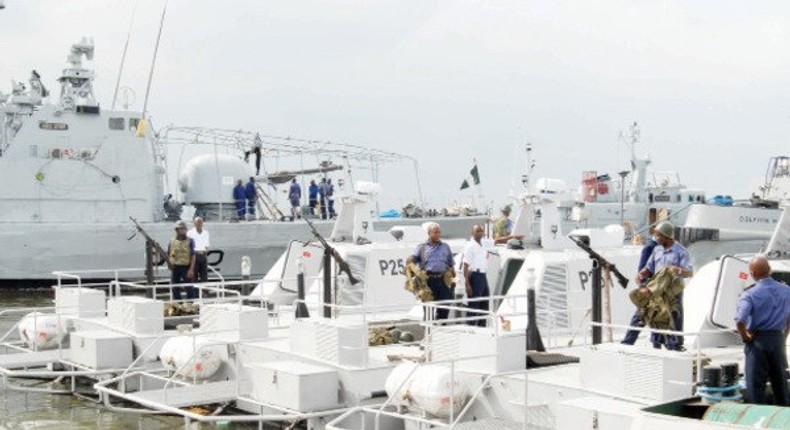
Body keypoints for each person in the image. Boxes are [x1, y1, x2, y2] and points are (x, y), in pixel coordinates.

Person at [735, 255, 790, 405]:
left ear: (752, 273)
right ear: (770, 270)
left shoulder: (750, 294)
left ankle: (758, 422)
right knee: (781, 385)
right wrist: (784, 336)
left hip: (758, 342)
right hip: (778, 341)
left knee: (755, 387)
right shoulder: (786, 290)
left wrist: (745, 336)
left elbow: (740, 320)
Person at [634, 221, 693, 350]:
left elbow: (689, 272)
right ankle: (657, 342)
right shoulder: (657, 249)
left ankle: (675, 344)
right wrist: (642, 274)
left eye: (658, 235)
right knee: (655, 315)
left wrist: (677, 270)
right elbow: (649, 268)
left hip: (673, 292)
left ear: (667, 236)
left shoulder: (681, 251)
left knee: (674, 316)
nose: (656, 238)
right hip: (658, 291)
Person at [407, 222, 455, 321]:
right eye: (435, 232)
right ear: (429, 233)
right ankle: (428, 333)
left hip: (442, 280)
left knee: (445, 306)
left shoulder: (445, 247)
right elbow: (412, 260)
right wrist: (411, 266)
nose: (438, 234)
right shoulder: (422, 247)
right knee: (428, 309)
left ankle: (441, 328)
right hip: (428, 281)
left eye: (439, 232)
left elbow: (450, 264)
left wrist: (452, 276)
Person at [621, 232, 659, 345]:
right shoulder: (650, 247)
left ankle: (656, 342)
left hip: (654, 286)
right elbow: (643, 267)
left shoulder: (656, 246)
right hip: (648, 286)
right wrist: (643, 285)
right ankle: (628, 342)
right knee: (641, 314)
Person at [462, 225, 492, 326]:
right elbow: (465, 265)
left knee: (484, 302)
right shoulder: (470, 246)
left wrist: (511, 237)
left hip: (483, 275)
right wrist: (467, 284)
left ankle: (481, 326)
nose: (480, 233)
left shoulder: (483, 243)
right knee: (474, 303)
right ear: (473, 233)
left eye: (481, 231)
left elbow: (497, 241)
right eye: (477, 231)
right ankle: (470, 327)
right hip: (474, 275)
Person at [167, 221, 197, 300]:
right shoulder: (172, 241)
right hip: (175, 267)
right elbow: (169, 253)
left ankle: (191, 304)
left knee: (189, 287)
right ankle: (178, 304)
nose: (183, 230)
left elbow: (193, 255)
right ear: (177, 230)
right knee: (174, 287)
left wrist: (191, 269)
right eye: (181, 229)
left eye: (184, 229)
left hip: (186, 266)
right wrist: (169, 264)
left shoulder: (190, 241)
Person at [187, 217, 210, 285]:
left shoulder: (206, 233)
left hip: (203, 254)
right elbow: (188, 245)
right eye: (198, 223)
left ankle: (205, 292)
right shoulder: (190, 233)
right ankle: (195, 293)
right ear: (194, 224)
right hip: (194, 255)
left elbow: (206, 245)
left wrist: (205, 253)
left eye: (201, 222)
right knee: (194, 275)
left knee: (204, 275)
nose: (199, 224)